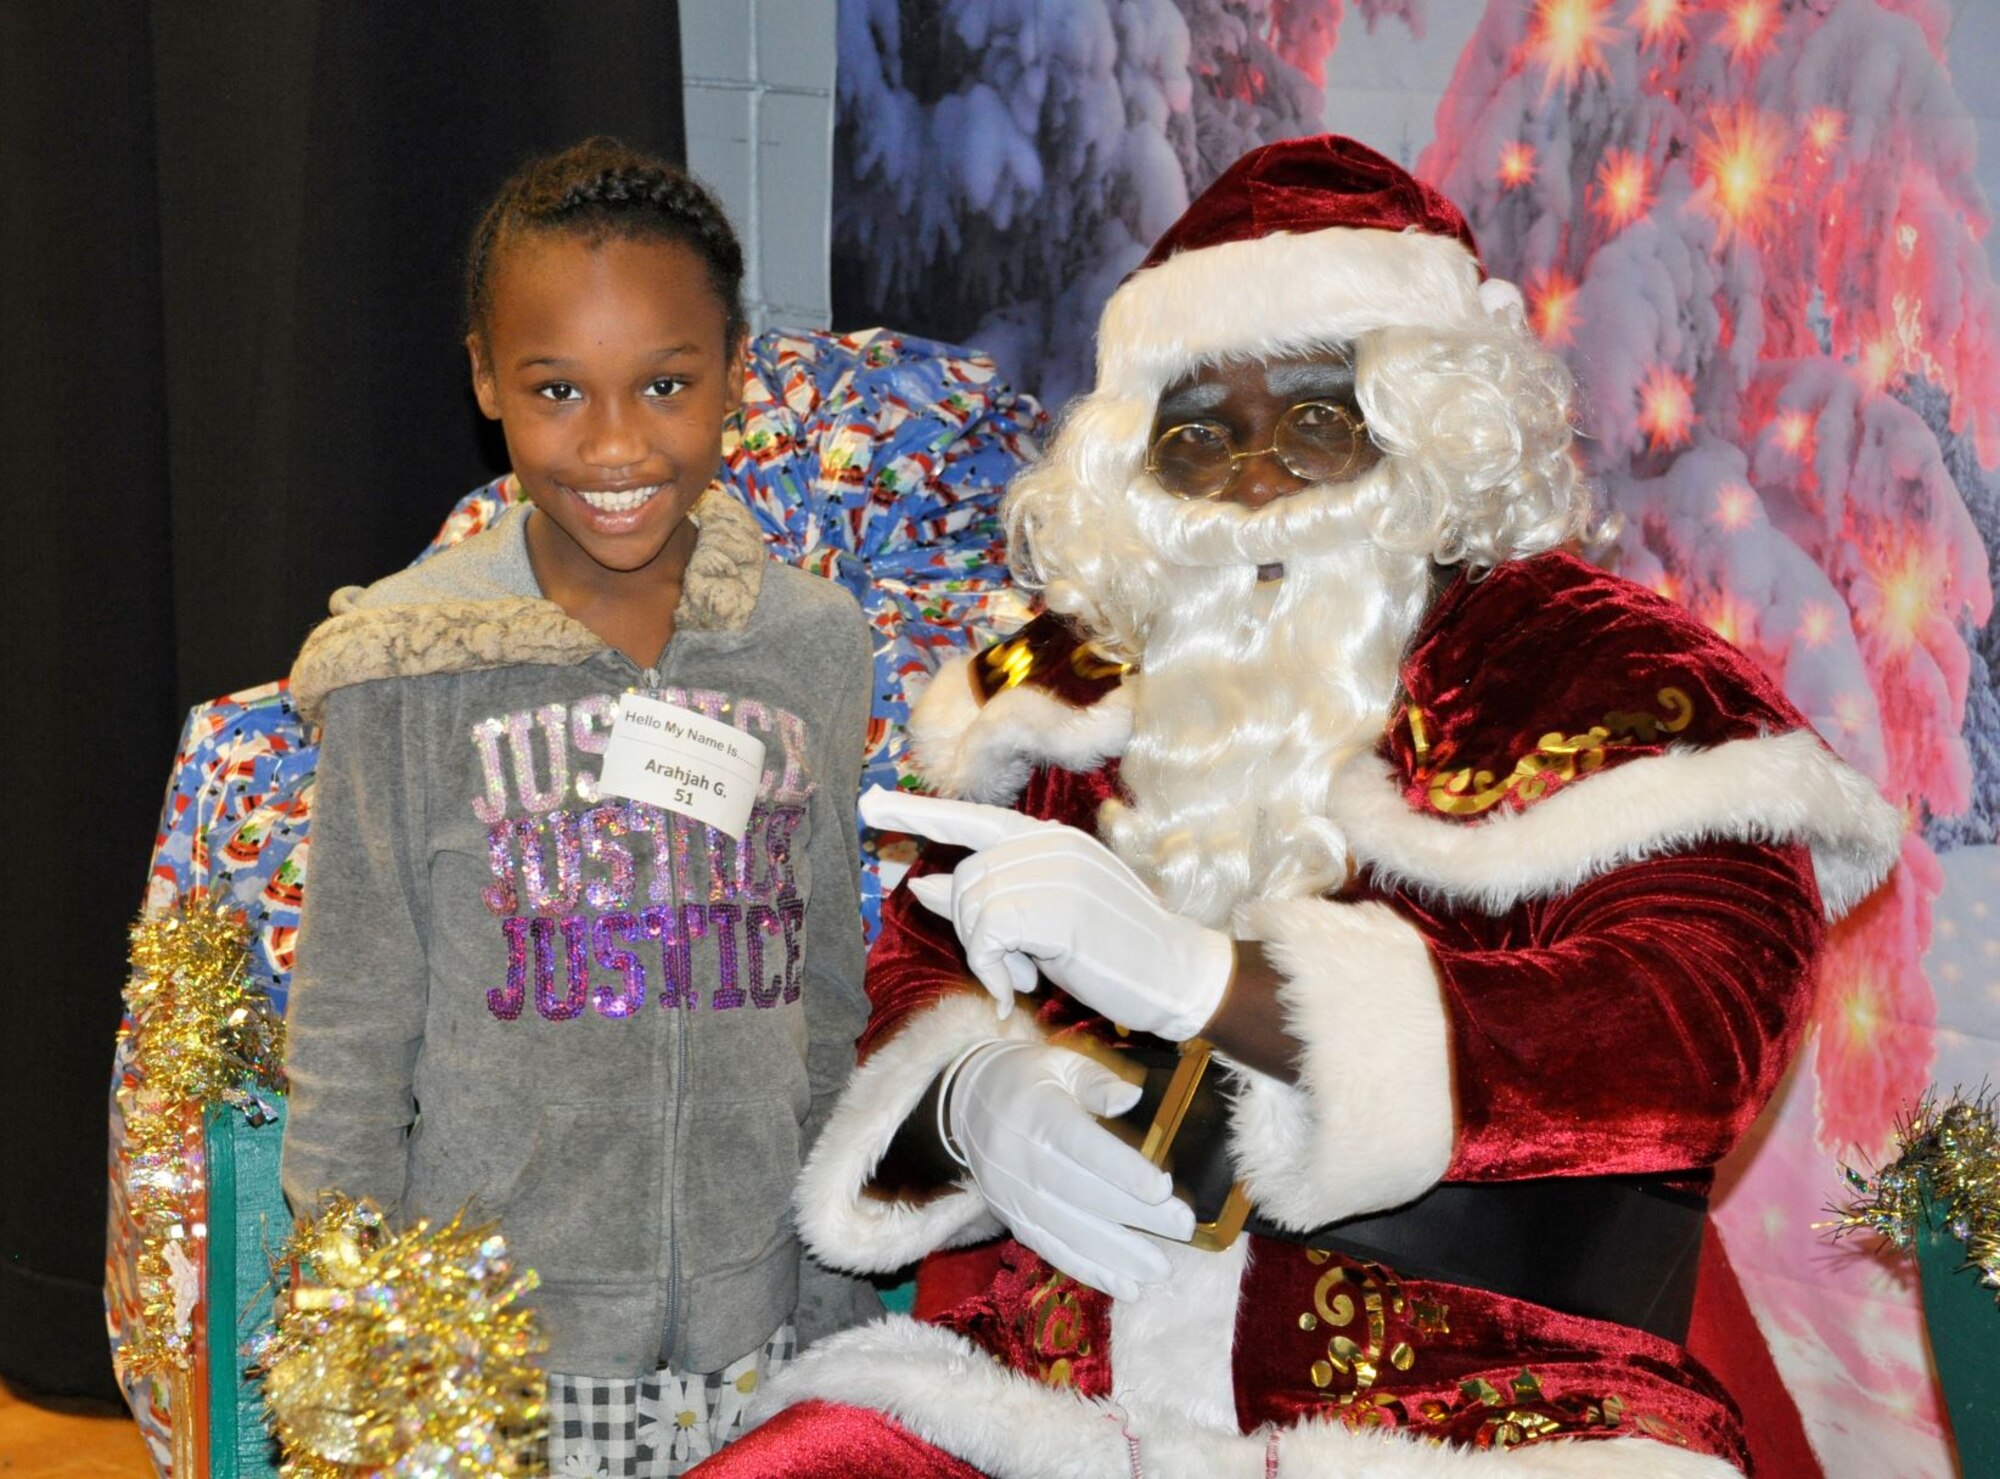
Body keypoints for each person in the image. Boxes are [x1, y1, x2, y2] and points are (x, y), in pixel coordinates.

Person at [691, 136, 1903, 1477]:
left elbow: (1691, 1026)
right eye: (1199, 436)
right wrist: (976, 1104)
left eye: (1318, 422)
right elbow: (916, 973)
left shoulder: (1610, 678)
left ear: (1432, 428)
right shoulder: (1056, 695)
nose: (1256, 477)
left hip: (1484, 1421)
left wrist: (1213, 983)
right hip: (1054, 1412)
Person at [280, 138, 879, 1477]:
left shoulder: (811, 645)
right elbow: (351, 1039)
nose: (616, 445)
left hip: (757, 1342)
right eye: (559, 391)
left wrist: (832, 1287)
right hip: (495, 1356)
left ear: (737, 372)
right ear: (488, 379)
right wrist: (364, 1346)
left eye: (666, 384)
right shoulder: (406, 663)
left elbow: (829, 992)